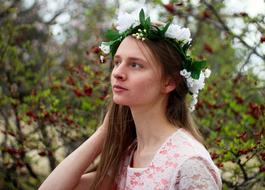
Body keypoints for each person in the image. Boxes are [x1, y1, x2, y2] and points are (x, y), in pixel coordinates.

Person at [39, 8, 222, 190]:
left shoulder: (190, 165)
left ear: (169, 82)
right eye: (117, 62)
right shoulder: (127, 158)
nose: (118, 73)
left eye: (135, 65)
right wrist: (103, 134)